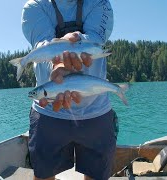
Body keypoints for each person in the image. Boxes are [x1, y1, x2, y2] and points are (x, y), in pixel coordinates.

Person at [21, 0, 116, 179]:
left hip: (96, 111)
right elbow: (42, 46)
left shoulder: (99, 3)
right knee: (43, 175)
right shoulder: (35, 6)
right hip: (48, 111)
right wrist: (58, 66)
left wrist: (76, 41)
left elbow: (96, 40)